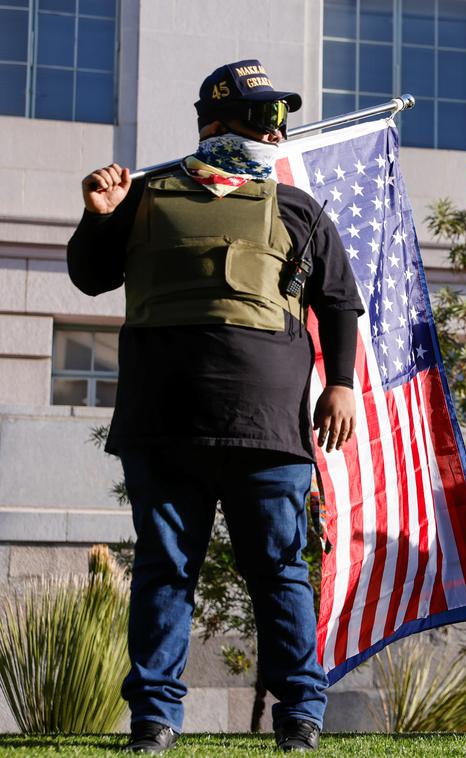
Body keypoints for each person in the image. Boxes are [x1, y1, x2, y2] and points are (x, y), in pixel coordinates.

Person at [67, 59, 364, 753]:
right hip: (163, 425)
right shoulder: (141, 196)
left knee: (281, 573)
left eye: (277, 117)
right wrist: (95, 216)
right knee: (165, 572)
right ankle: (154, 719)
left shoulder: (297, 209)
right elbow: (87, 277)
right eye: (262, 117)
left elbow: (339, 302)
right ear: (216, 123)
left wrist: (342, 383)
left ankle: (300, 715)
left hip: (268, 431)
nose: (274, 130)